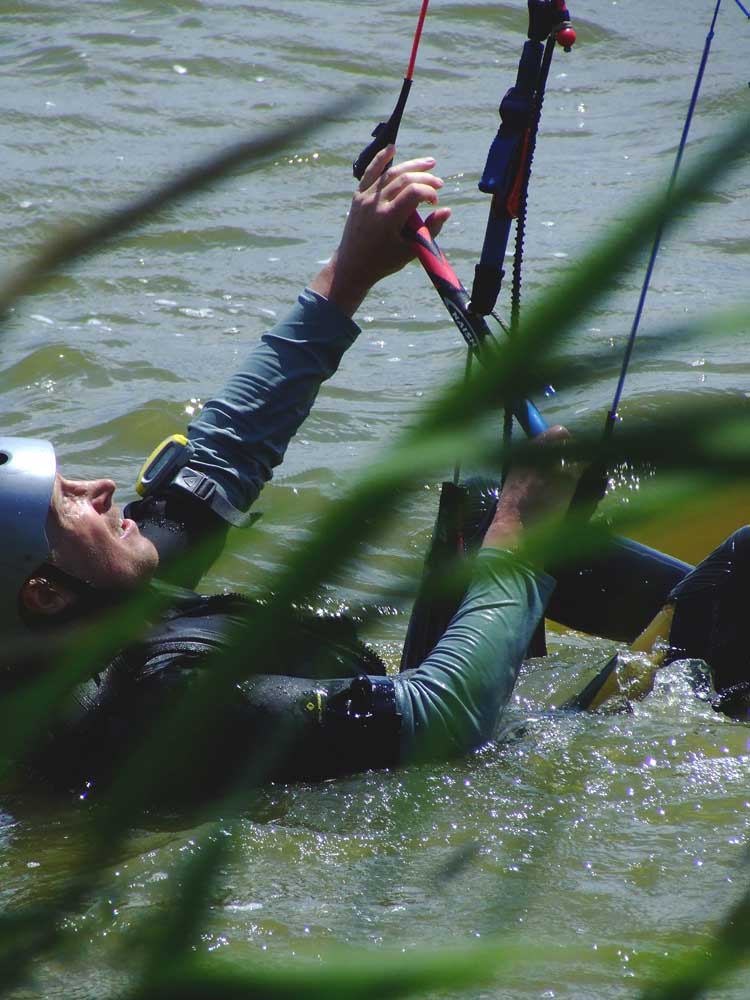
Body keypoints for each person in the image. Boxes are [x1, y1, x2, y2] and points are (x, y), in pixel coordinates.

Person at [0, 147, 579, 802]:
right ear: (43, 592)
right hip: (436, 773)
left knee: (482, 509)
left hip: (405, 728)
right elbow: (443, 717)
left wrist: (350, 271)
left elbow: (215, 467)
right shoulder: (160, 707)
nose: (97, 487)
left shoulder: (85, 614)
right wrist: (520, 535)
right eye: (66, 502)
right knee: (527, 526)